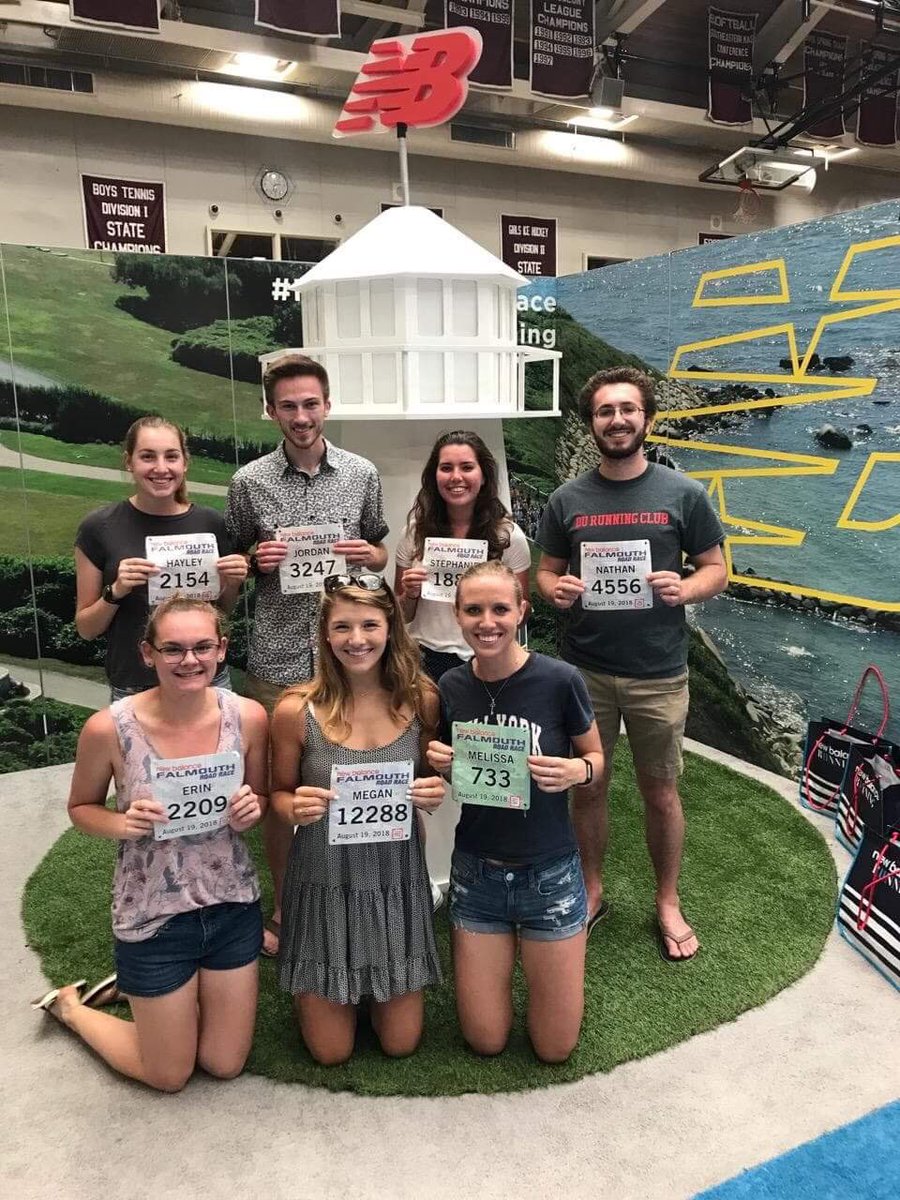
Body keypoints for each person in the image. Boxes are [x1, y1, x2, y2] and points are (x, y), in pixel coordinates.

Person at [33, 596, 269, 1092]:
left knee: (224, 1063)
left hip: (230, 904)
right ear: (148, 654)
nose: (190, 660)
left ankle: (158, 996)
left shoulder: (248, 717)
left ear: (222, 649)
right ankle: (72, 1008)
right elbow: (81, 808)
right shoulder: (109, 728)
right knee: (169, 1074)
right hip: (154, 914)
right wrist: (122, 825)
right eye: (174, 649)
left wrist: (254, 807)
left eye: (203, 646)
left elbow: (261, 795)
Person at [535, 366, 727, 962]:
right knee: (586, 789)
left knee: (661, 791)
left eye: (627, 409)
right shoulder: (567, 499)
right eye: (604, 411)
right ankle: (591, 891)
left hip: (658, 671)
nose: (616, 420)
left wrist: (685, 588)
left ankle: (666, 900)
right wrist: (554, 590)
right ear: (591, 422)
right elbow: (545, 571)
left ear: (645, 418)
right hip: (583, 671)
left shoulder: (684, 494)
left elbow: (717, 569)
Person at [225, 353, 389, 956]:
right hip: (279, 657)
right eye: (288, 406)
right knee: (280, 791)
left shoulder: (362, 474)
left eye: (310, 404)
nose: (301, 416)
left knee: (352, 782)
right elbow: (235, 566)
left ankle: (354, 893)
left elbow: (378, 552)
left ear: (327, 405)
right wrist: (254, 561)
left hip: (351, 659)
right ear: (271, 410)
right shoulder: (248, 483)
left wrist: (365, 555)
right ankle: (288, 901)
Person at [427, 561, 604, 1063]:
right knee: (485, 1040)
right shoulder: (451, 688)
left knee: (554, 1049)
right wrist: (439, 762)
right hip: (477, 873)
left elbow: (595, 758)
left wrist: (578, 772)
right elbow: (451, 768)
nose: (488, 622)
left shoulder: (560, 679)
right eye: (474, 610)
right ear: (457, 615)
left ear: (522, 610)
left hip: (549, 872)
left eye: (500, 608)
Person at [270, 573, 445, 1065]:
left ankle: (374, 984)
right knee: (330, 1053)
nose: (357, 639)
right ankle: (338, 983)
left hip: (394, 879)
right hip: (324, 880)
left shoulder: (421, 699)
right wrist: (293, 806)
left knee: (400, 1044)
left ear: (391, 628)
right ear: (324, 634)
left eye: (370, 624)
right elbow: (276, 796)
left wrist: (435, 789)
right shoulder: (294, 710)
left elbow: (432, 779)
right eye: (342, 627)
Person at [75, 416, 248, 701]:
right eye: (147, 457)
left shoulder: (211, 523)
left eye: (171, 456)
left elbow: (222, 611)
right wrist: (116, 591)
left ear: (185, 462)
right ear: (129, 462)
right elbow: (86, 629)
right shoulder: (98, 527)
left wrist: (232, 583)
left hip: (206, 679)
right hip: (135, 686)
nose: (161, 468)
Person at [395, 430, 531, 681]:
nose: (456, 477)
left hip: (485, 659)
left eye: (467, 467)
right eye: (446, 468)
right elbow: (401, 615)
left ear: (483, 476)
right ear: (434, 476)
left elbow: (522, 615)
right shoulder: (414, 532)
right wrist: (410, 594)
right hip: (423, 659)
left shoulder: (509, 537)